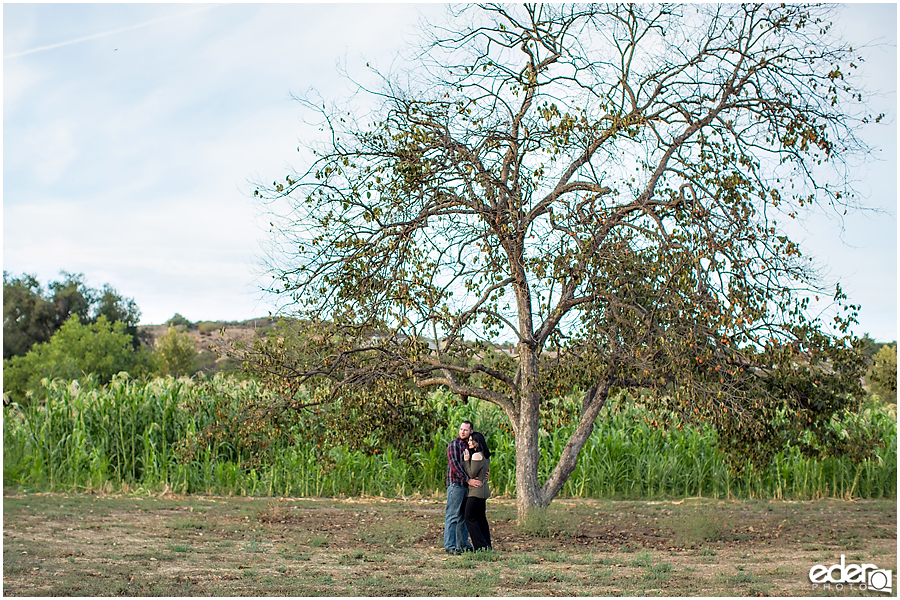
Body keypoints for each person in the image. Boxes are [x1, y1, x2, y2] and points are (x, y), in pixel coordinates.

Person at [444, 420, 479, 554]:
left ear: (471, 431)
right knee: (453, 515)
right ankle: (450, 546)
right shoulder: (454, 444)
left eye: (465, 430)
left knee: (463, 516)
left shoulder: (470, 446)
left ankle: (462, 545)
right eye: (461, 429)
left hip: (467, 486)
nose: (462, 432)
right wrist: (468, 479)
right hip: (456, 484)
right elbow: (455, 465)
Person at [463, 431, 492, 551]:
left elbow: (471, 473)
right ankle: (486, 545)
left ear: (477, 442)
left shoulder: (476, 456)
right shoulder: (485, 456)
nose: (469, 442)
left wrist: (466, 460)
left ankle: (480, 546)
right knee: (481, 519)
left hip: (476, 492)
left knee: (469, 517)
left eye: (471, 440)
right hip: (483, 490)